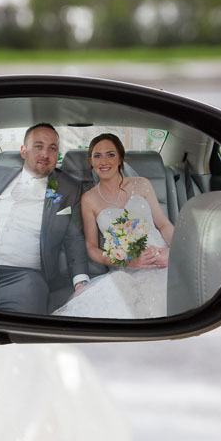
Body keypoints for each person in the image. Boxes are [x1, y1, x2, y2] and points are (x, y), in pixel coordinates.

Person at [52, 133, 175, 319]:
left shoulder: (142, 185)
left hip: (162, 260)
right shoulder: (89, 199)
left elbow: (164, 225)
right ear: (91, 161)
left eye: (110, 154)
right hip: (127, 270)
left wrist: (174, 254)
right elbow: (92, 248)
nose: (104, 161)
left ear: (120, 158)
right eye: (97, 156)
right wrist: (127, 260)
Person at [0, 123, 89, 313]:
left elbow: (74, 238)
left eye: (52, 148)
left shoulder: (69, 188)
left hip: (22, 277)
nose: (45, 154)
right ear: (23, 151)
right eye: (38, 146)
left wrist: (81, 282)